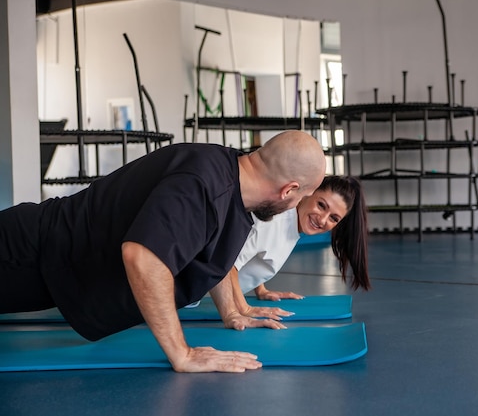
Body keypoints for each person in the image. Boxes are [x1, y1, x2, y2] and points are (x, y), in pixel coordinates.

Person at [0, 130, 326, 373]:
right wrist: (182, 353)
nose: (295, 207)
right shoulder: (203, 184)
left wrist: (233, 312)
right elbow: (143, 257)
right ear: (289, 190)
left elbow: (213, 252)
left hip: (54, 265)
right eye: (302, 198)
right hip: (23, 252)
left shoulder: (231, 179)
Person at [200, 175, 370, 329]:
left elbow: (252, 249)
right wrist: (242, 310)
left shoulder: (292, 223)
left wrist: (261, 289)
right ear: (308, 193)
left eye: (334, 218)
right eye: (321, 205)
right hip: (188, 295)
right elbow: (225, 263)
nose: (322, 219)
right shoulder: (273, 220)